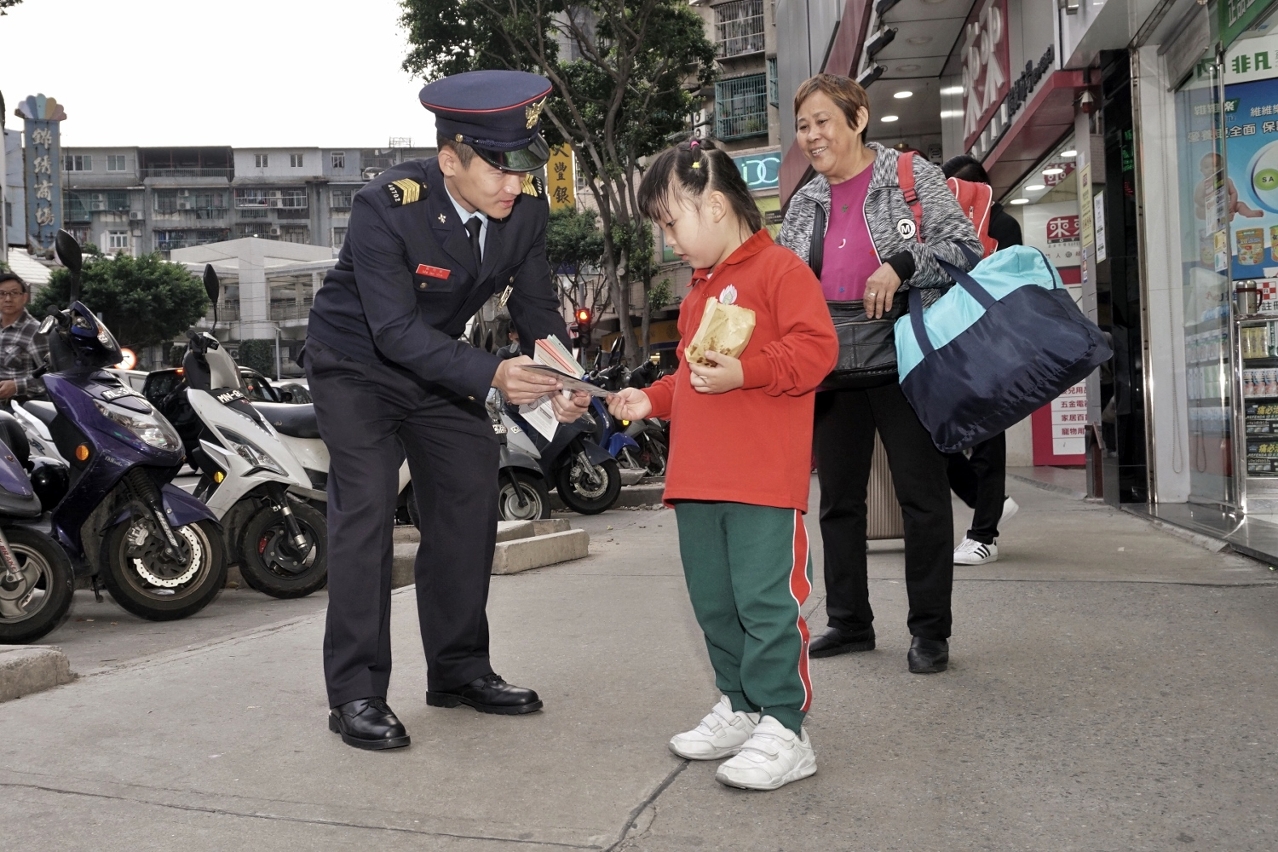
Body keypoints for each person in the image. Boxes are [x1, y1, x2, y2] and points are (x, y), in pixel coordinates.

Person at [305, 70, 591, 751]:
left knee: (469, 490)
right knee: (367, 510)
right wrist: (493, 373)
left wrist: (565, 376)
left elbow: (535, 306)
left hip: (436, 369)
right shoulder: (387, 206)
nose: (512, 184)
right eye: (496, 168)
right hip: (356, 365)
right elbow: (392, 332)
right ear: (449, 160)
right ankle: (355, 692)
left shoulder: (524, 212)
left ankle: (459, 670)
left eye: (520, 168)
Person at [610, 138, 837, 791]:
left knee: (767, 602)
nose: (668, 238)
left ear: (714, 205)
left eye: (670, 221)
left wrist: (749, 370)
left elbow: (816, 352)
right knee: (715, 604)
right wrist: (645, 400)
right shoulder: (700, 291)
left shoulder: (781, 271)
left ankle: (787, 728)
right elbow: (690, 380)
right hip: (698, 479)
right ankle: (741, 707)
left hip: (762, 479)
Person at [776, 73, 982, 674]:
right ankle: (849, 620)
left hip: (904, 357)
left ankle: (930, 631)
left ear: (858, 117)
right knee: (838, 500)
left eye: (822, 122)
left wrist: (901, 264)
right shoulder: (805, 201)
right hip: (833, 364)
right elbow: (788, 282)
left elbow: (963, 247)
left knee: (922, 496)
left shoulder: (911, 177)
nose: (812, 136)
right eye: (803, 125)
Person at [940, 154, 1022, 566]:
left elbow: (1008, 288)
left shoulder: (1003, 226)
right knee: (937, 434)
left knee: (989, 439)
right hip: (951, 346)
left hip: (992, 344)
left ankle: (984, 535)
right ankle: (987, 501)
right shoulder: (945, 228)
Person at [0, 271, 49, 411]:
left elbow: (52, 376)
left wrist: (17, 386)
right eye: (2, 294)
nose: (8, 299)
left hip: (20, 410)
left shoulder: (36, 332)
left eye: (14, 293)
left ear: (25, 297)